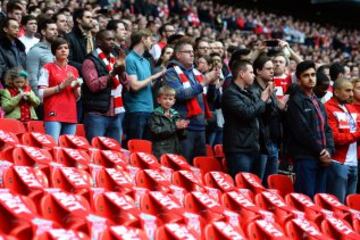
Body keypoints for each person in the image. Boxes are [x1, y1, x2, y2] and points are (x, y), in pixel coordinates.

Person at [164, 37, 219, 163]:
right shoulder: (171, 73)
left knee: (198, 166)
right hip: (184, 128)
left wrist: (211, 84)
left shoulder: (196, 73)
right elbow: (180, 94)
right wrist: (204, 82)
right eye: (187, 52)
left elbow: (210, 101)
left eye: (192, 52)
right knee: (183, 165)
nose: (192, 54)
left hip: (200, 127)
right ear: (178, 55)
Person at [285, 60, 334, 198]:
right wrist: (321, 151)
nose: (311, 78)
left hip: (322, 158)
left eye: (313, 74)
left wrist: (329, 150)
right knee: (305, 200)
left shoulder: (317, 101)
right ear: (299, 79)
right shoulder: (295, 101)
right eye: (306, 75)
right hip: (305, 157)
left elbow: (327, 129)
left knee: (319, 200)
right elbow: (302, 132)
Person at [222, 60, 272, 178]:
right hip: (239, 149)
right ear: (242, 74)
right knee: (242, 187)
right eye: (251, 72)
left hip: (253, 146)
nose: (254, 75)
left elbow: (263, 114)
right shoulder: (230, 94)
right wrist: (262, 100)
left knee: (255, 187)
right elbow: (247, 113)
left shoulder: (249, 92)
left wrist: (269, 101)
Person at [82, 30, 126, 143]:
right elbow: (93, 86)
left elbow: (125, 84)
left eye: (113, 39)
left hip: (116, 113)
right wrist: (112, 74)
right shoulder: (90, 61)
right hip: (97, 114)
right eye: (108, 39)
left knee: (115, 151)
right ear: (99, 42)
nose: (112, 42)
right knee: (95, 149)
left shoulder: (114, 59)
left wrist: (121, 71)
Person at [124, 29, 165, 141]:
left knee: (146, 147)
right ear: (143, 39)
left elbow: (148, 85)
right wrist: (153, 77)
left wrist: (160, 76)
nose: (152, 43)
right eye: (150, 40)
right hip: (136, 110)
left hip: (149, 109)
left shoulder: (146, 61)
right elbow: (135, 86)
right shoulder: (130, 59)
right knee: (135, 146)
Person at [38, 38, 81, 142]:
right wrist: (60, 87)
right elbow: (40, 93)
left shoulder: (74, 70)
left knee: (69, 149)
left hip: (71, 113)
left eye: (66, 48)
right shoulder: (47, 68)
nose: (63, 50)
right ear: (54, 51)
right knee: (53, 146)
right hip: (53, 113)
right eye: (59, 48)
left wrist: (75, 87)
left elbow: (78, 97)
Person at [325, 79, 360, 203]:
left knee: (351, 205)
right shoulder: (328, 109)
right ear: (336, 92)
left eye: (351, 90)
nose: (351, 94)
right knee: (338, 205)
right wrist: (358, 133)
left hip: (354, 163)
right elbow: (336, 138)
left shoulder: (351, 108)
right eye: (347, 90)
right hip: (338, 162)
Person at [149, 85, 188, 159]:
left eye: (170, 99)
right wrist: (175, 126)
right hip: (161, 151)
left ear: (174, 101)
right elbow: (156, 132)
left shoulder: (176, 115)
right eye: (165, 98)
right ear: (158, 100)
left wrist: (182, 128)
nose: (167, 101)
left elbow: (182, 136)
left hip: (175, 151)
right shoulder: (155, 114)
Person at [26, 19, 58, 96]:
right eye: (52, 29)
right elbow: (32, 77)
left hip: (57, 94)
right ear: (43, 32)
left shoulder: (57, 50)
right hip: (44, 97)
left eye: (56, 29)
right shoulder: (35, 51)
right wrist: (40, 98)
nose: (56, 32)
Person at [0, 17, 26, 84]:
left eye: (18, 28)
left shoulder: (20, 46)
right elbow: (2, 68)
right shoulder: (1, 46)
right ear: (5, 29)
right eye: (14, 27)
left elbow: (24, 66)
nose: (17, 30)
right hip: (7, 84)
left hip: (21, 83)